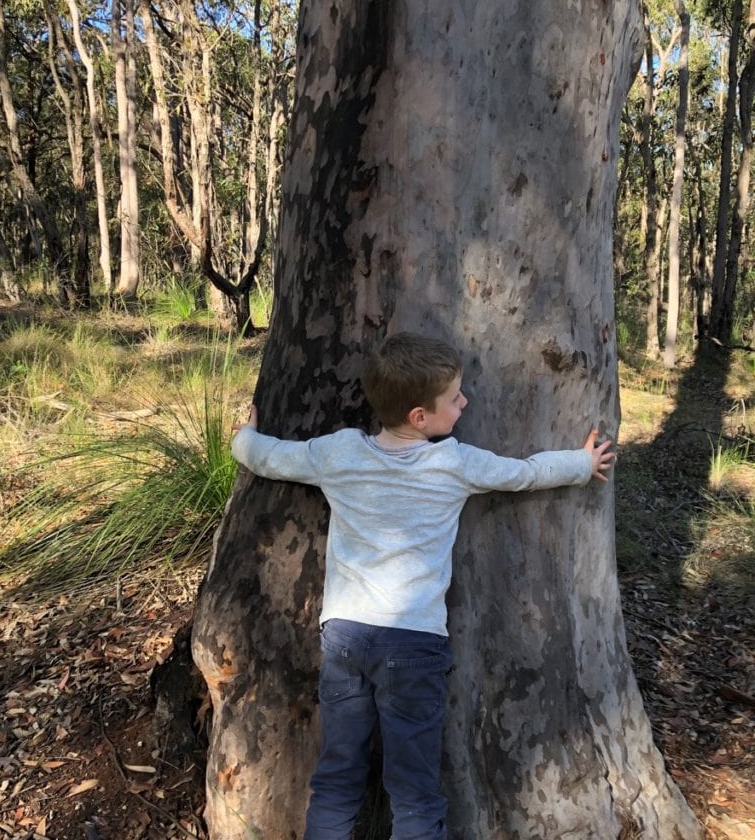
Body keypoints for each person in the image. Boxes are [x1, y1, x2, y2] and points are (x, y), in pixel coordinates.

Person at [231, 331, 614, 840]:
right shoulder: (453, 462)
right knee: (413, 791)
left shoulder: (338, 453)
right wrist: (582, 464)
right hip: (414, 644)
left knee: (337, 778)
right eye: (455, 398)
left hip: (345, 638)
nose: (465, 402)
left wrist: (243, 438)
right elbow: (523, 473)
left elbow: (270, 457)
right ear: (420, 417)